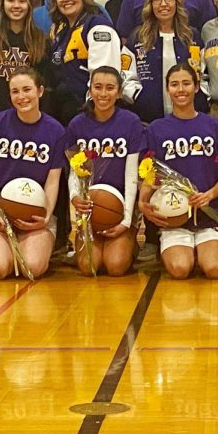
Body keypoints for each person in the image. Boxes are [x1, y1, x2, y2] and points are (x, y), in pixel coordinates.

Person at [139, 62, 218, 280]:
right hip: (174, 217)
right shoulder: (155, 129)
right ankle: (177, 248)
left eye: (186, 84)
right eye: (174, 84)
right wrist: (143, 202)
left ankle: (208, 246)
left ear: (197, 87)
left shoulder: (214, 127)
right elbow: (149, 173)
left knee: (213, 269)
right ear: (167, 89)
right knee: (180, 270)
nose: (180, 90)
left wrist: (211, 194)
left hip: (210, 215)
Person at [0, 67, 65, 280]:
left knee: (32, 267)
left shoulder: (56, 131)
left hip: (36, 214)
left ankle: (28, 247)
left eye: (27, 90)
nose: (22, 97)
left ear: (40, 91)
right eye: (15, 92)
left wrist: (44, 217)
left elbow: (53, 183)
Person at [66, 66, 144, 277]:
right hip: (91, 210)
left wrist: (126, 220)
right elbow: (76, 170)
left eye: (110, 88)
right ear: (90, 90)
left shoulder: (131, 122)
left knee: (115, 266)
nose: (103, 94)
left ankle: (131, 244)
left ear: (119, 93)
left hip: (118, 208)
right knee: (89, 266)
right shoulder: (77, 124)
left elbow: (131, 174)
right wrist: (75, 197)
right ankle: (89, 239)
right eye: (97, 87)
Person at [121, 0, 208, 123]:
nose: (163, 4)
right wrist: (138, 96)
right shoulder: (137, 38)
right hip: (148, 121)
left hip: (190, 119)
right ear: (150, 4)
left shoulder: (192, 36)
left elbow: (205, 73)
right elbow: (125, 75)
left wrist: (201, 95)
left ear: (177, 3)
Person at [50, 0, 121, 126]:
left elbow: (105, 74)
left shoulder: (97, 26)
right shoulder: (61, 32)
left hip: (91, 111)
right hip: (66, 111)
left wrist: (93, 108)